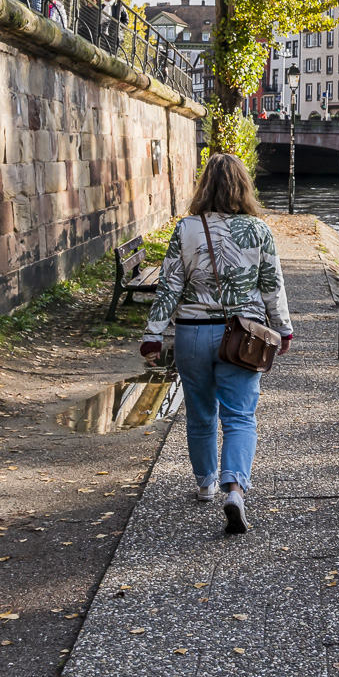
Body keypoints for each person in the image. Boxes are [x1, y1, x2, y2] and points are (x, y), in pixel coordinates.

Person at [139, 155, 292, 535]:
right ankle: (235, 489)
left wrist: (153, 334)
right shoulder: (258, 230)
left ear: (204, 185)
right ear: (244, 185)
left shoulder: (187, 228)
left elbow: (170, 285)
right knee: (240, 416)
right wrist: (284, 329)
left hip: (191, 333)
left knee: (200, 413)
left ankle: (205, 482)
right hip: (243, 337)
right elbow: (273, 286)